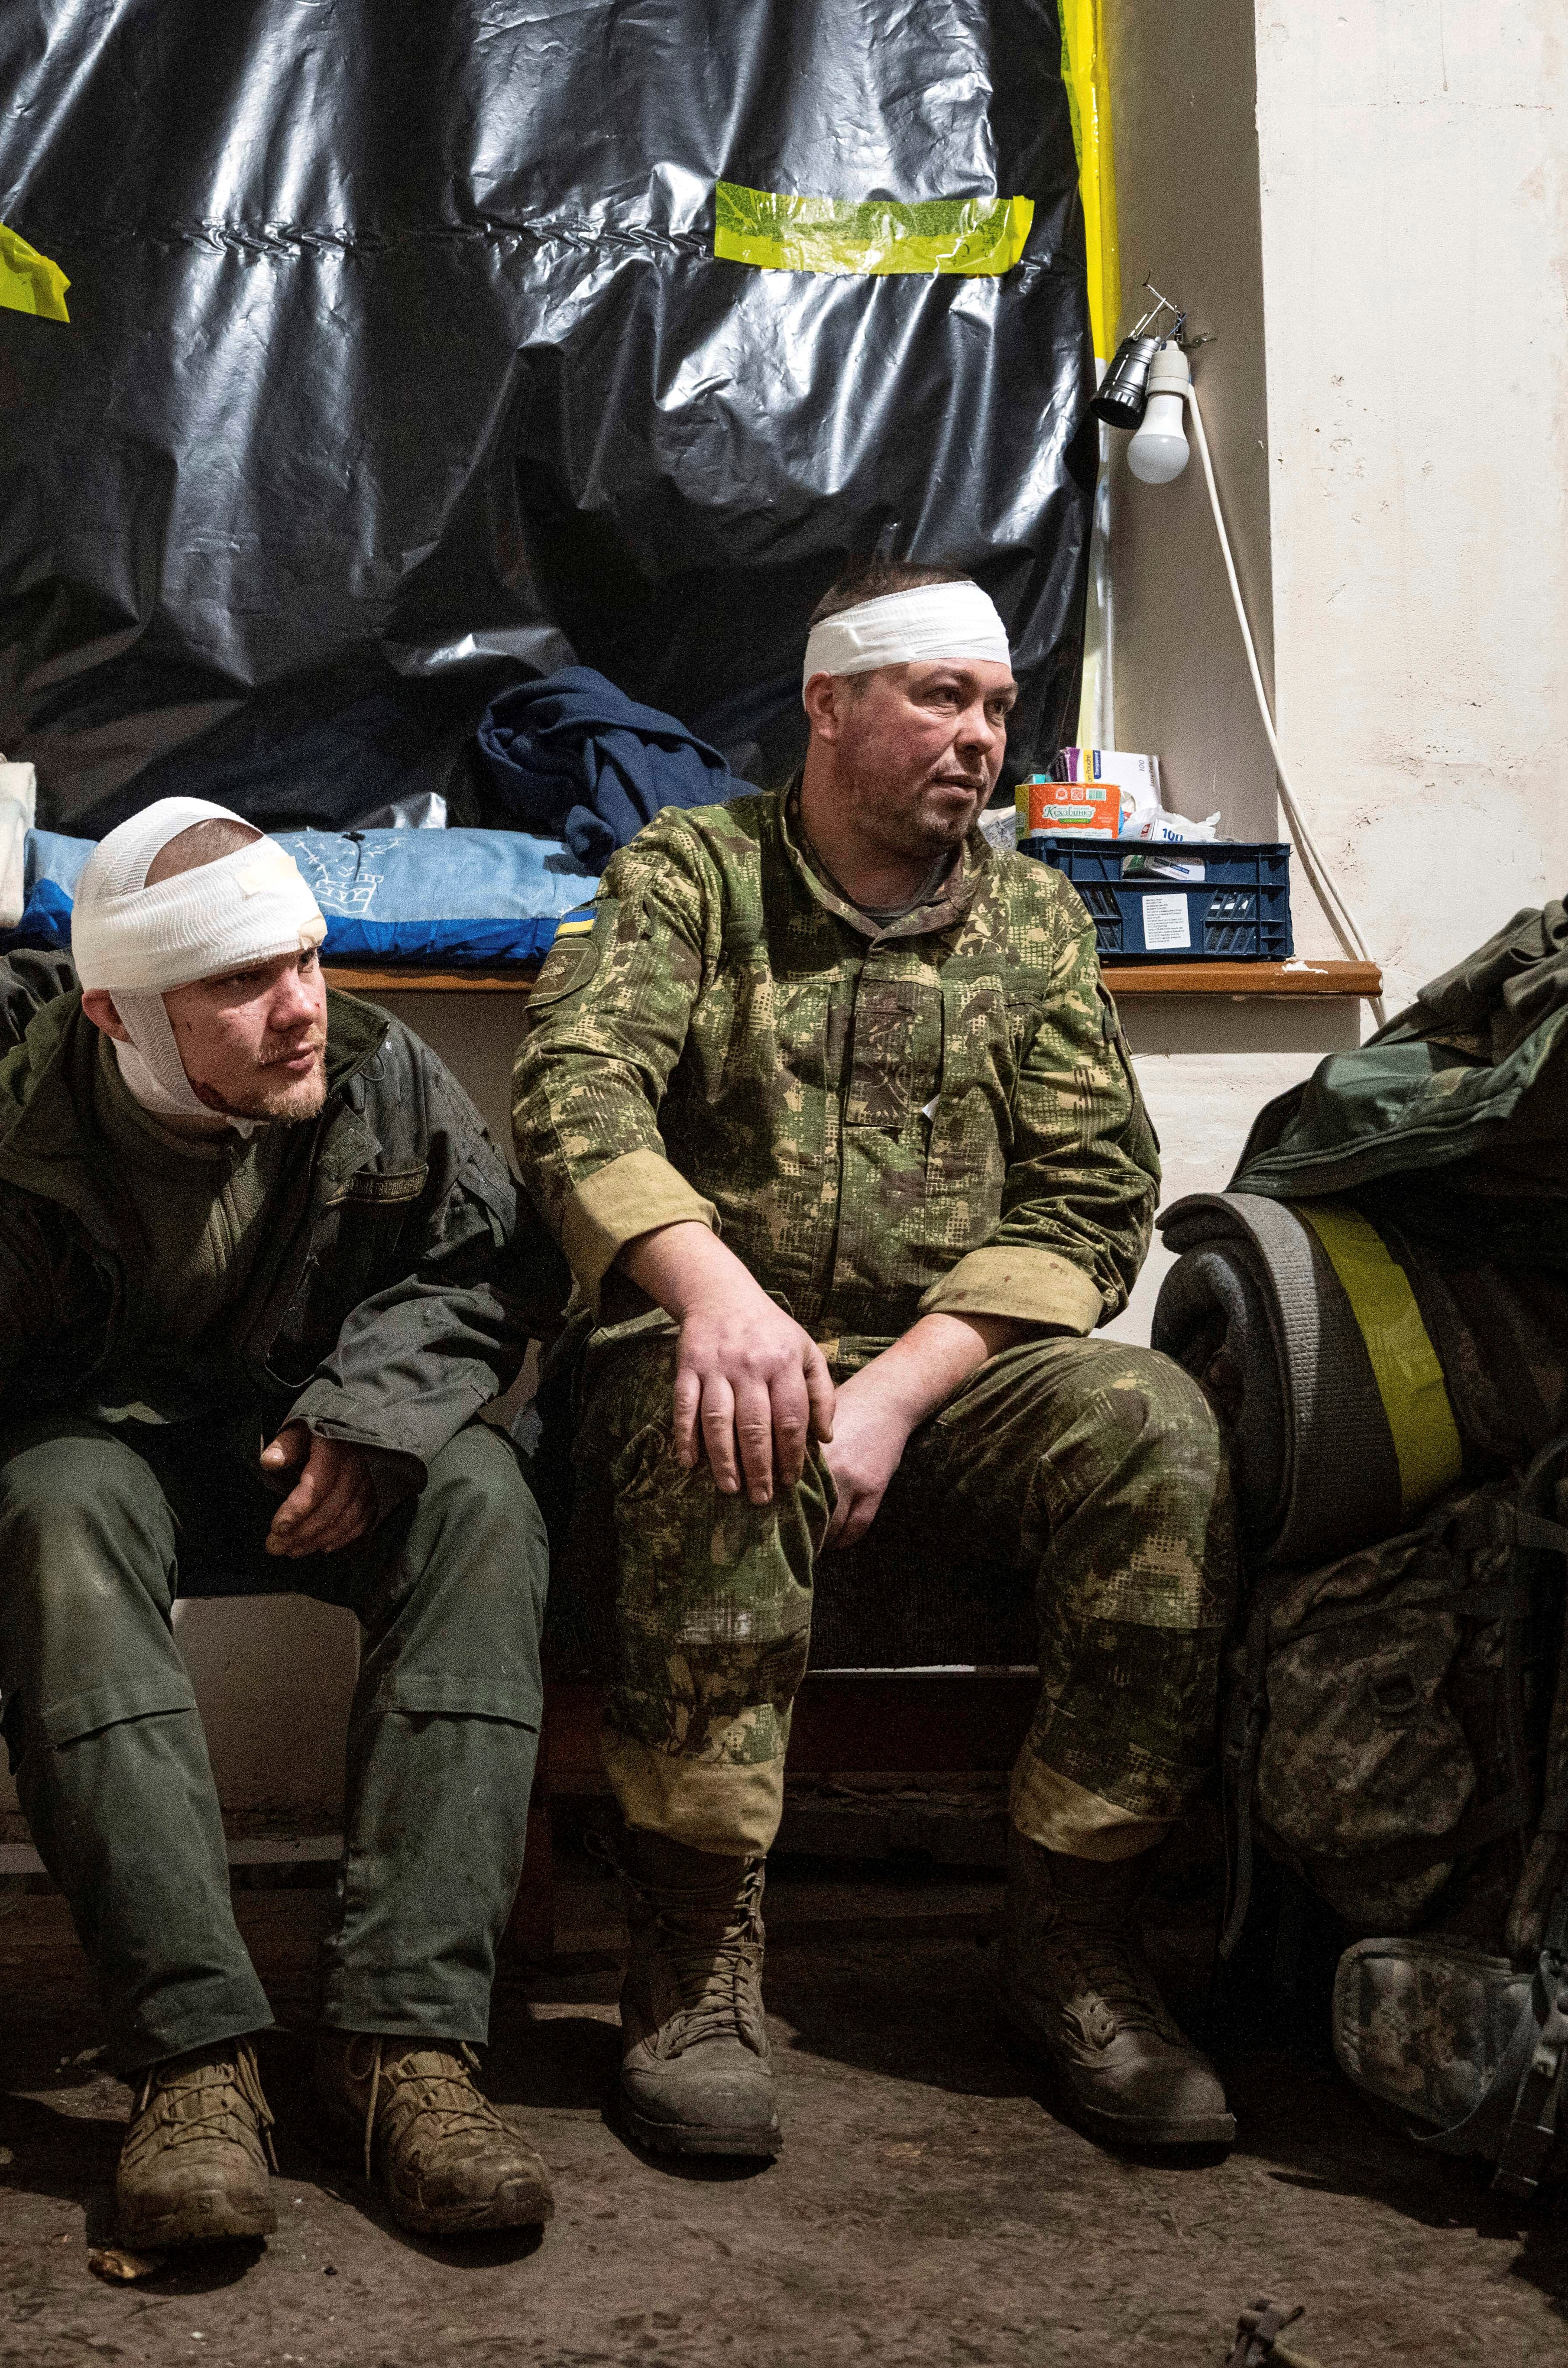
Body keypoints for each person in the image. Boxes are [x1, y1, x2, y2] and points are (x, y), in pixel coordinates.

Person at [0, 801, 559, 2248]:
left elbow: (492, 1267)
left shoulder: (380, 1077)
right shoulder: (23, 1161)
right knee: (53, 1505)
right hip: (107, 1466)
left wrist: (379, 1414)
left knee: (485, 1497)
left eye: (308, 959)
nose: (303, 1007)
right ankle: (192, 2059)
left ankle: (408, 2045)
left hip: (318, 1454)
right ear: (125, 1015)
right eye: (244, 980)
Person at [508, 561, 1238, 2158]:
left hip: (950, 1375)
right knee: (736, 1413)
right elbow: (575, 1087)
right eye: (940, 696)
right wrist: (714, 1290)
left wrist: (901, 1389)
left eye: (998, 707)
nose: (979, 737)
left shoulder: (1035, 918)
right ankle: (691, 1955)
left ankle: (1073, 1944)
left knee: (1158, 1427)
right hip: (708, 1341)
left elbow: (1095, 1189)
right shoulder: (690, 878)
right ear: (830, 704)